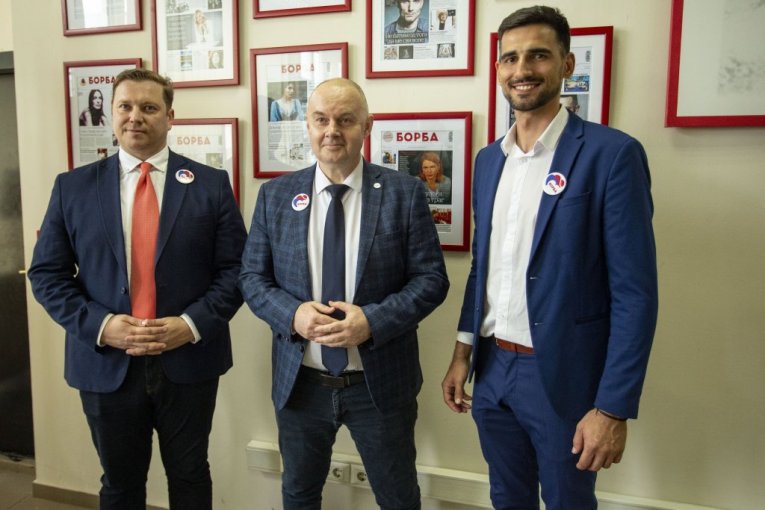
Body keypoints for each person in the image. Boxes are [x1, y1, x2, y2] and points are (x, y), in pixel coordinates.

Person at [441, 6, 658, 509]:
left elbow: (635, 295)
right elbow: (484, 267)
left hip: (562, 375)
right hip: (492, 369)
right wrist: (462, 352)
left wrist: (612, 407)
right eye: (510, 58)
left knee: (567, 502)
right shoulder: (488, 160)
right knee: (506, 498)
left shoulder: (612, 155)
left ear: (566, 64)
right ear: (498, 68)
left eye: (538, 55)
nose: (522, 69)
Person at [28, 68, 246, 510]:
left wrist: (190, 324)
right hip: (106, 364)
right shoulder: (73, 187)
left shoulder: (210, 185)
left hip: (188, 360)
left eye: (148, 107)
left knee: (190, 475)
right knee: (120, 484)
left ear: (170, 116)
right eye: (124, 107)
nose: (135, 117)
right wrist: (102, 326)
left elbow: (237, 270)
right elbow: (47, 274)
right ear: (111, 114)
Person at [239, 78, 449, 510]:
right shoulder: (275, 196)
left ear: (366, 126)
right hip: (301, 384)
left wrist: (372, 321)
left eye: (345, 120)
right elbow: (252, 279)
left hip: (378, 383)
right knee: (299, 495)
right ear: (308, 126)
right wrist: (293, 315)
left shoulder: (404, 193)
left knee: (398, 498)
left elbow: (431, 280)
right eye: (321, 120)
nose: (332, 130)